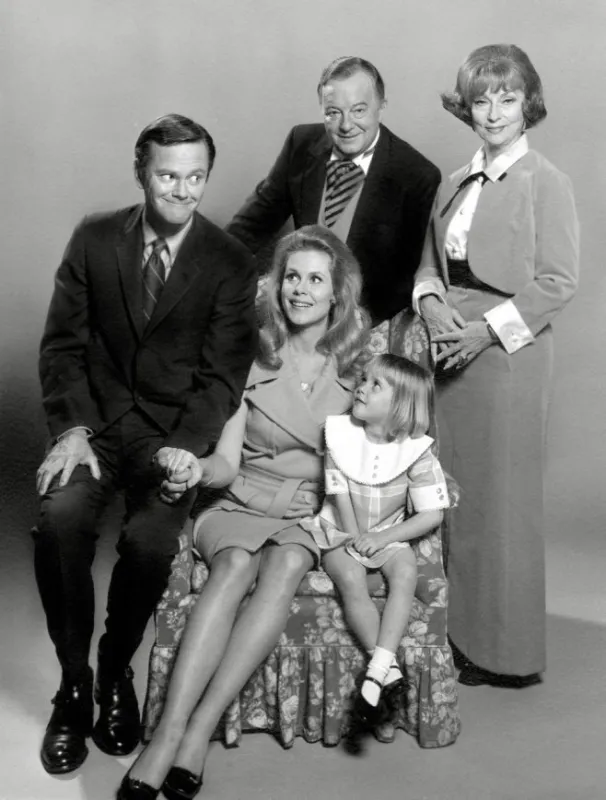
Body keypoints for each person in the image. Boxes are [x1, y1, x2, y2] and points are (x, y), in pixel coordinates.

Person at [33, 114, 258, 776]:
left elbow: (223, 375)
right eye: (167, 176)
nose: (182, 191)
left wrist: (188, 449)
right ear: (142, 173)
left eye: (195, 177)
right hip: (93, 429)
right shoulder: (95, 238)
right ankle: (73, 687)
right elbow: (62, 345)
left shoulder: (229, 262)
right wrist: (72, 428)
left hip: (170, 438)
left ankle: (113, 672)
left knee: (151, 544)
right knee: (59, 521)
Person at [117, 225, 370, 800]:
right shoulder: (251, 354)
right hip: (239, 498)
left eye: (315, 279)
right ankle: (168, 736)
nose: (300, 290)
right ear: (275, 285)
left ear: (337, 293)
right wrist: (195, 470)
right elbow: (227, 461)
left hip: (308, 507)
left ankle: (199, 732)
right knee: (234, 565)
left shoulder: (358, 368)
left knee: (283, 566)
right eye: (291, 277)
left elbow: (368, 461)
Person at [413, 44, 580, 687]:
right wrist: (429, 307)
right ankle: (457, 637)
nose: (493, 112)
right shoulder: (452, 182)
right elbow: (429, 264)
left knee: (502, 509)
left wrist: (484, 333)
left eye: (506, 98)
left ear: (527, 103)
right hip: (448, 353)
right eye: (481, 99)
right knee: (453, 500)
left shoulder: (548, 181)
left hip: (507, 357)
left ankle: (506, 653)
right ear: (467, 107)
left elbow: (558, 281)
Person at [226, 56, 440, 325]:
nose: (346, 125)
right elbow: (252, 225)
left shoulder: (417, 175)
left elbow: (406, 278)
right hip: (297, 305)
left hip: (364, 320)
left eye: (358, 110)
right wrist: (208, 270)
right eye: (333, 112)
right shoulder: (301, 144)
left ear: (381, 108)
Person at [303, 355, 449, 738]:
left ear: (400, 403)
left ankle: (377, 668)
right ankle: (390, 673)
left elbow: (431, 514)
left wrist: (383, 539)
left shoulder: (416, 451)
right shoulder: (338, 434)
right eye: (363, 379)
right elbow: (339, 496)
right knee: (350, 576)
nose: (361, 387)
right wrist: (353, 540)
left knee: (405, 570)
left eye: (375, 385)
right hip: (340, 528)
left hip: (387, 531)